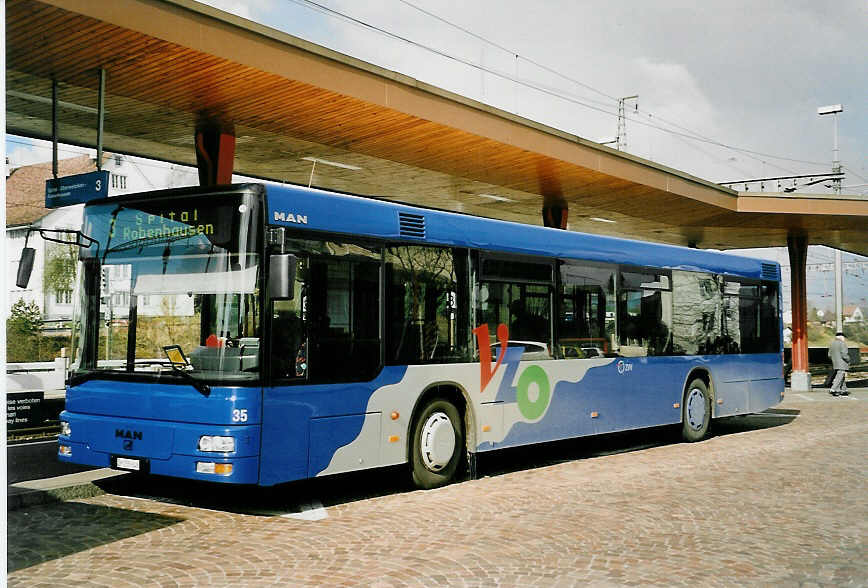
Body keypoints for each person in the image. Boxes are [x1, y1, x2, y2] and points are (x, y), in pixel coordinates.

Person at [828, 331, 850, 396]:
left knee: (841, 376)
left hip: (835, 362)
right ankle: (833, 389)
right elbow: (844, 355)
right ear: (841, 337)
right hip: (842, 363)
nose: (844, 339)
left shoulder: (832, 344)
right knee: (840, 376)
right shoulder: (842, 344)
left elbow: (829, 354)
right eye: (844, 337)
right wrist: (848, 359)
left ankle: (844, 390)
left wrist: (834, 359)